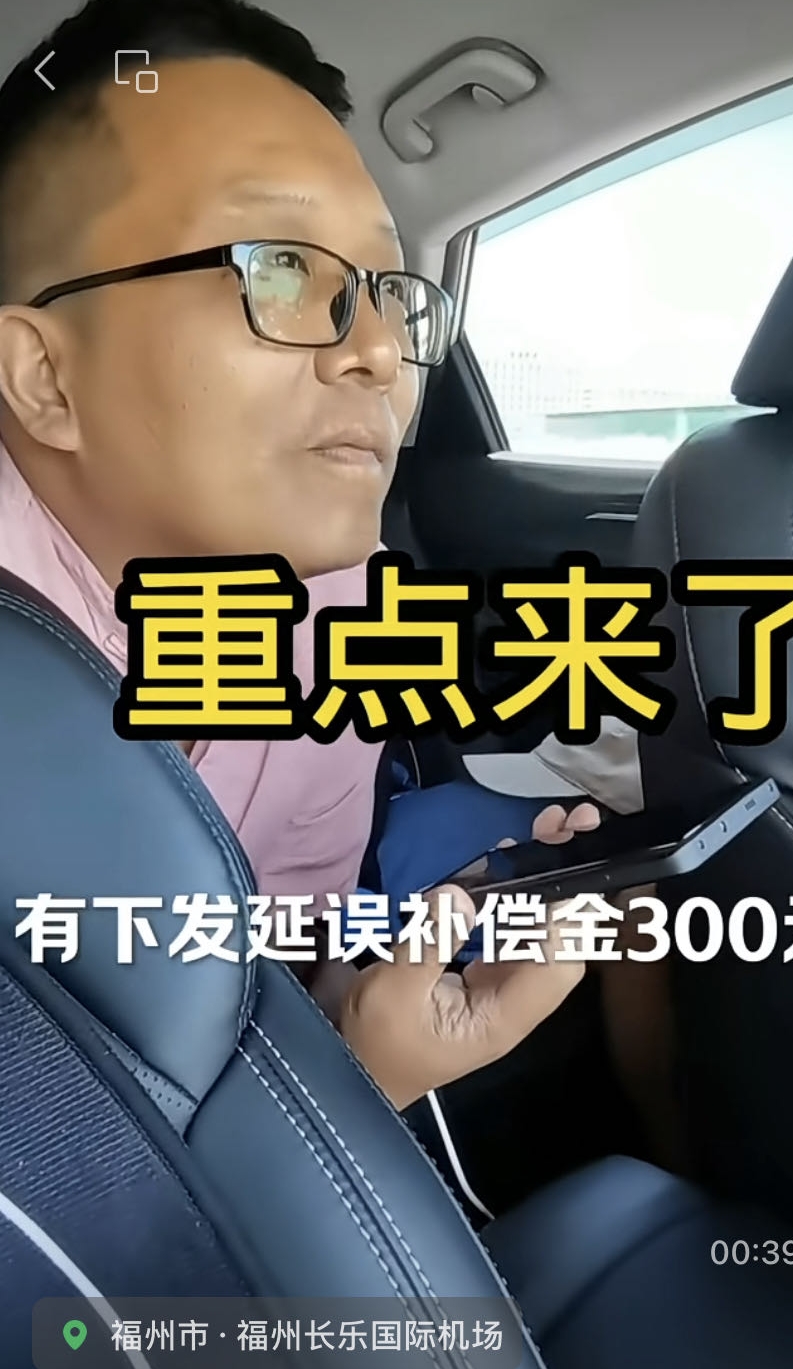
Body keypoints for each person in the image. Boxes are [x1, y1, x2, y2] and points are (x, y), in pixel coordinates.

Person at [0, 0, 678, 1147]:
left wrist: (357, 1036)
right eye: (279, 266)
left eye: (390, 292)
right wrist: (340, 1094)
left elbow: (272, 958)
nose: (377, 352)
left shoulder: (337, 607)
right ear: (44, 376)